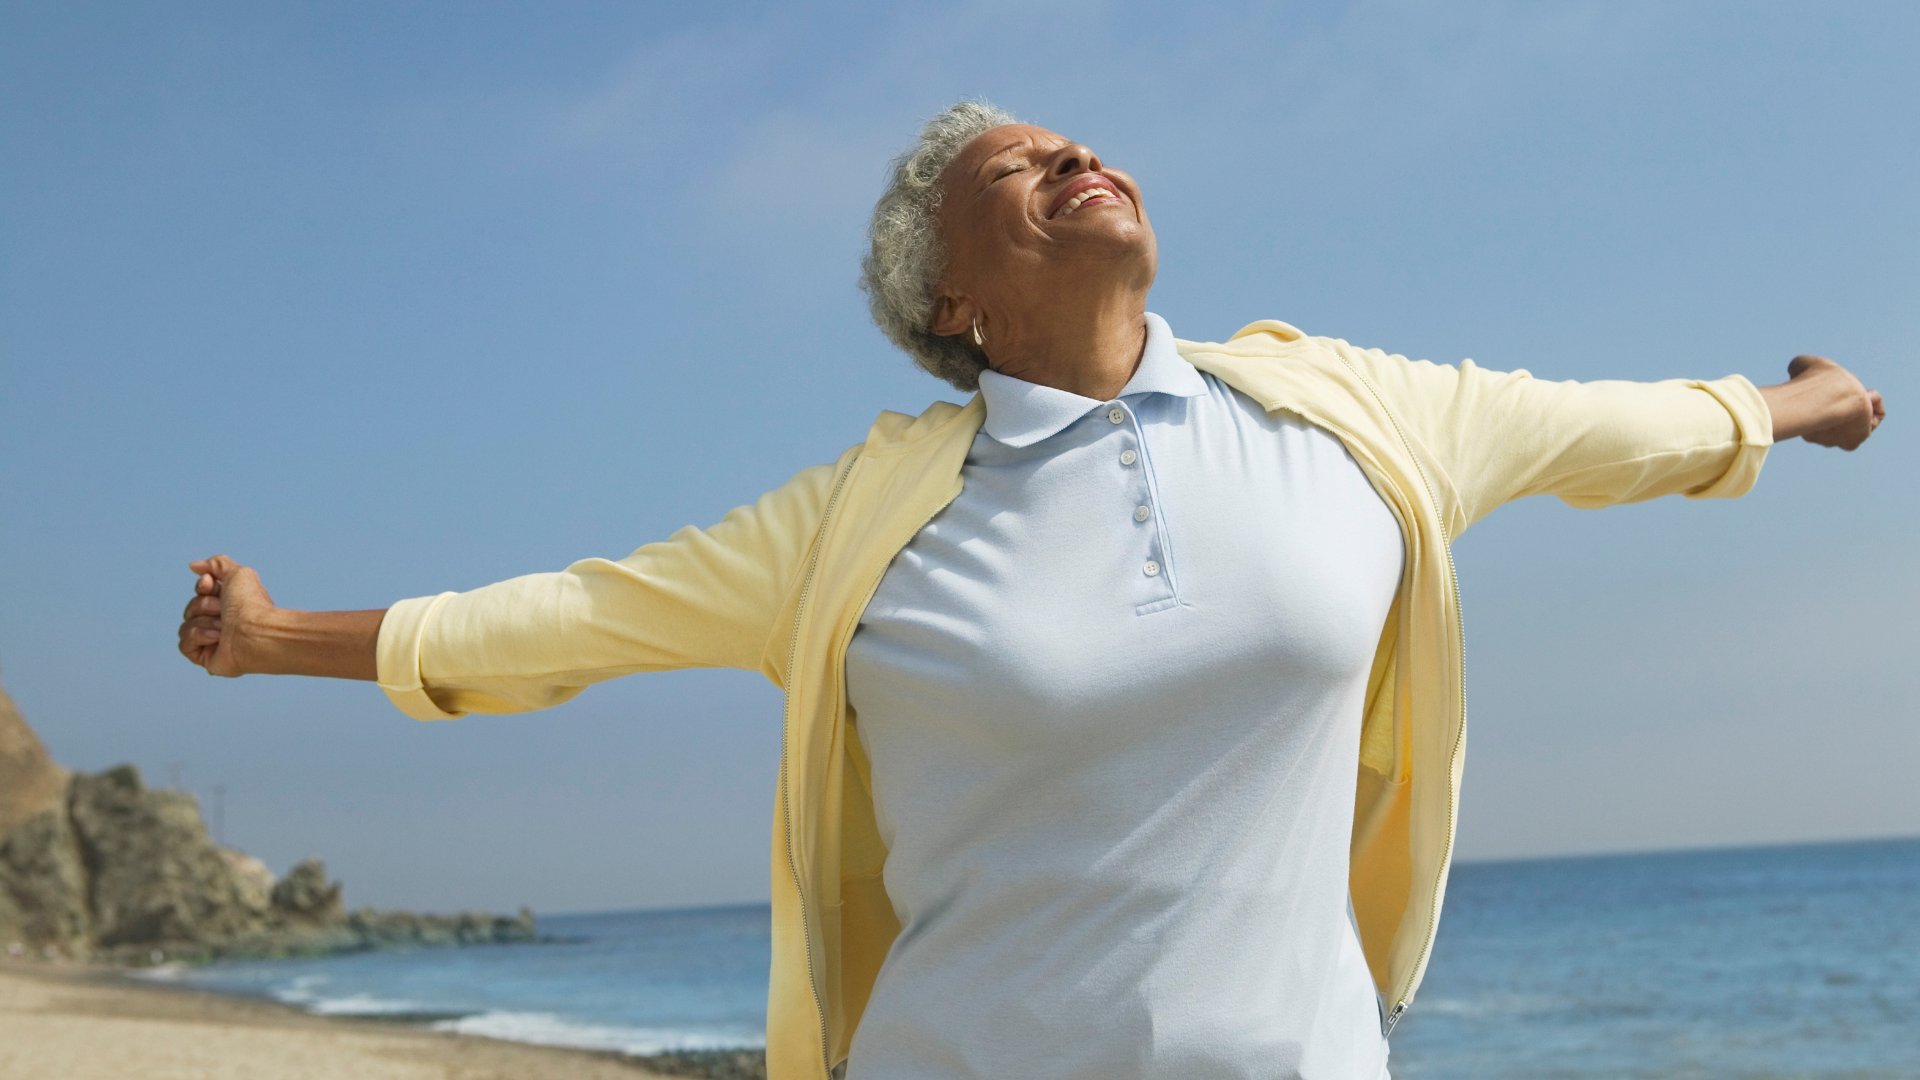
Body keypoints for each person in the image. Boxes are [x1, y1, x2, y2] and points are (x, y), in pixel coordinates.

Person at [176, 101, 1886, 1080]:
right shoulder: (862, 518)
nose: (1078, 156)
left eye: (1079, 140)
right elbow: (565, 618)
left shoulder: (1355, 418)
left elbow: (1619, 426)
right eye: (1019, 168)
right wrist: (272, 641)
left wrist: (1803, 405)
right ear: (954, 304)